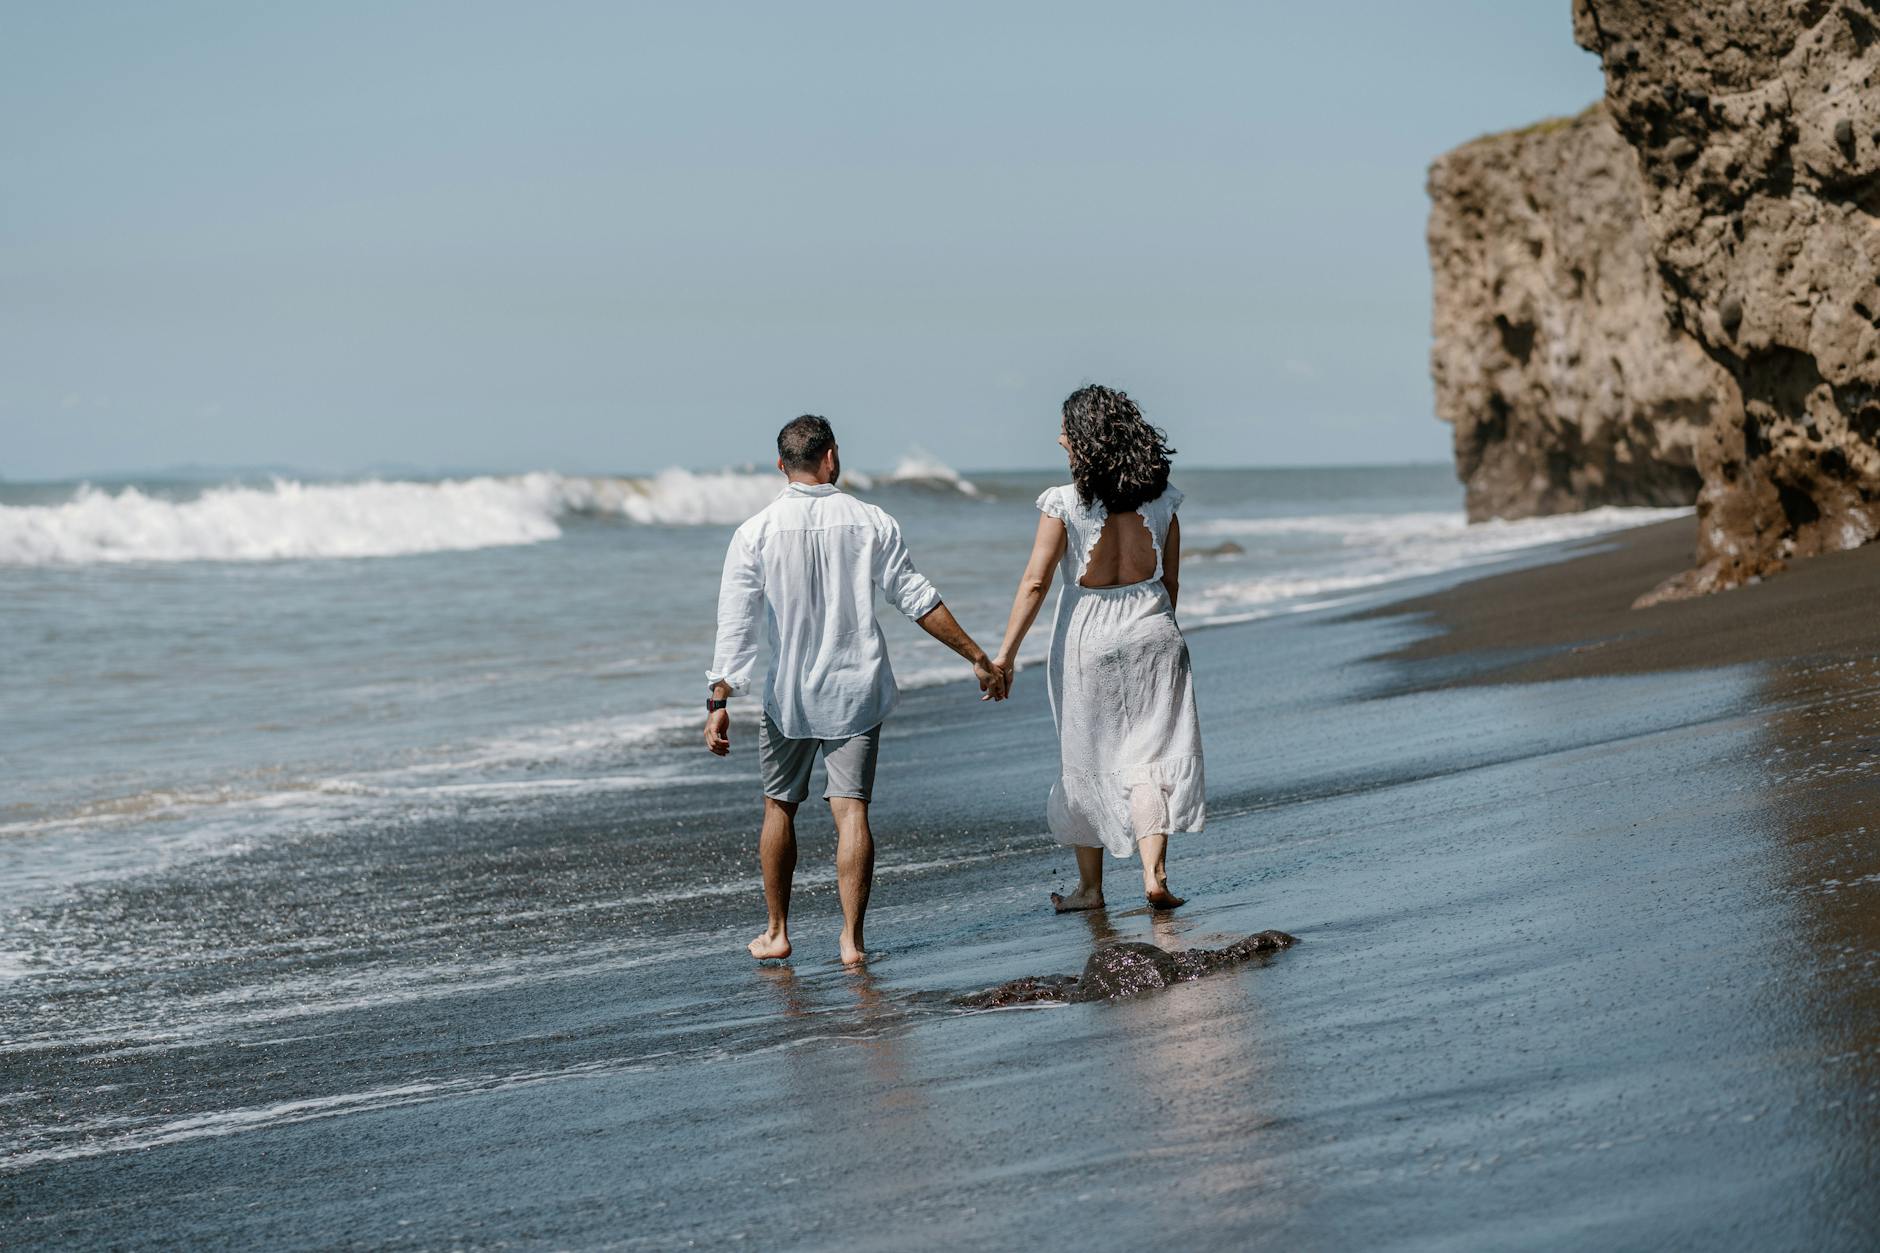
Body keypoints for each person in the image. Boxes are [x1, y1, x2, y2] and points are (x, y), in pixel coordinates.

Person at [706, 415, 1007, 964]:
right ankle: (852, 942)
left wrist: (720, 699)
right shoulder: (871, 521)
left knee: (779, 807)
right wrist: (979, 658)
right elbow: (918, 600)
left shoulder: (755, 531)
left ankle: (777, 932)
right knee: (852, 812)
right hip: (855, 690)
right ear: (832, 457)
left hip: (789, 695)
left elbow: (737, 625)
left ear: (781, 466)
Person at [992, 385, 1203, 911]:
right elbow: (1170, 580)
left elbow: (1036, 584)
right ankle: (1155, 877)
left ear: (1085, 439)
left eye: (1066, 429)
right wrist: (1159, 631)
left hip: (1089, 634)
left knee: (1086, 755)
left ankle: (1090, 890)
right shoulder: (1163, 498)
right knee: (1151, 755)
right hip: (1155, 630)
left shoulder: (1064, 503)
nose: (1059, 438)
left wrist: (1005, 655)